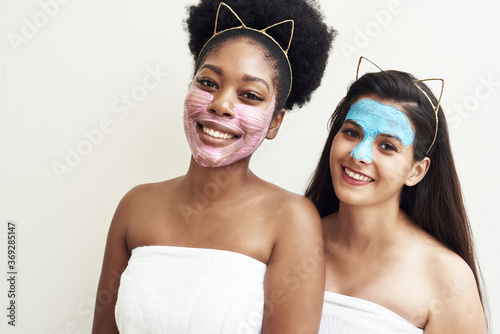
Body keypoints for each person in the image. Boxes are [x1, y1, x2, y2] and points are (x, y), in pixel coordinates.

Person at [92, 0, 335, 333]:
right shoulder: (135, 206)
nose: (221, 104)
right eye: (208, 83)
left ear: (275, 122)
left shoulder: (292, 220)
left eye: (250, 94)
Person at [305, 58, 487, 333]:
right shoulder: (292, 237)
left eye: (387, 146)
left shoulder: (447, 278)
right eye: (352, 133)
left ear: (417, 171)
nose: (359, 154)